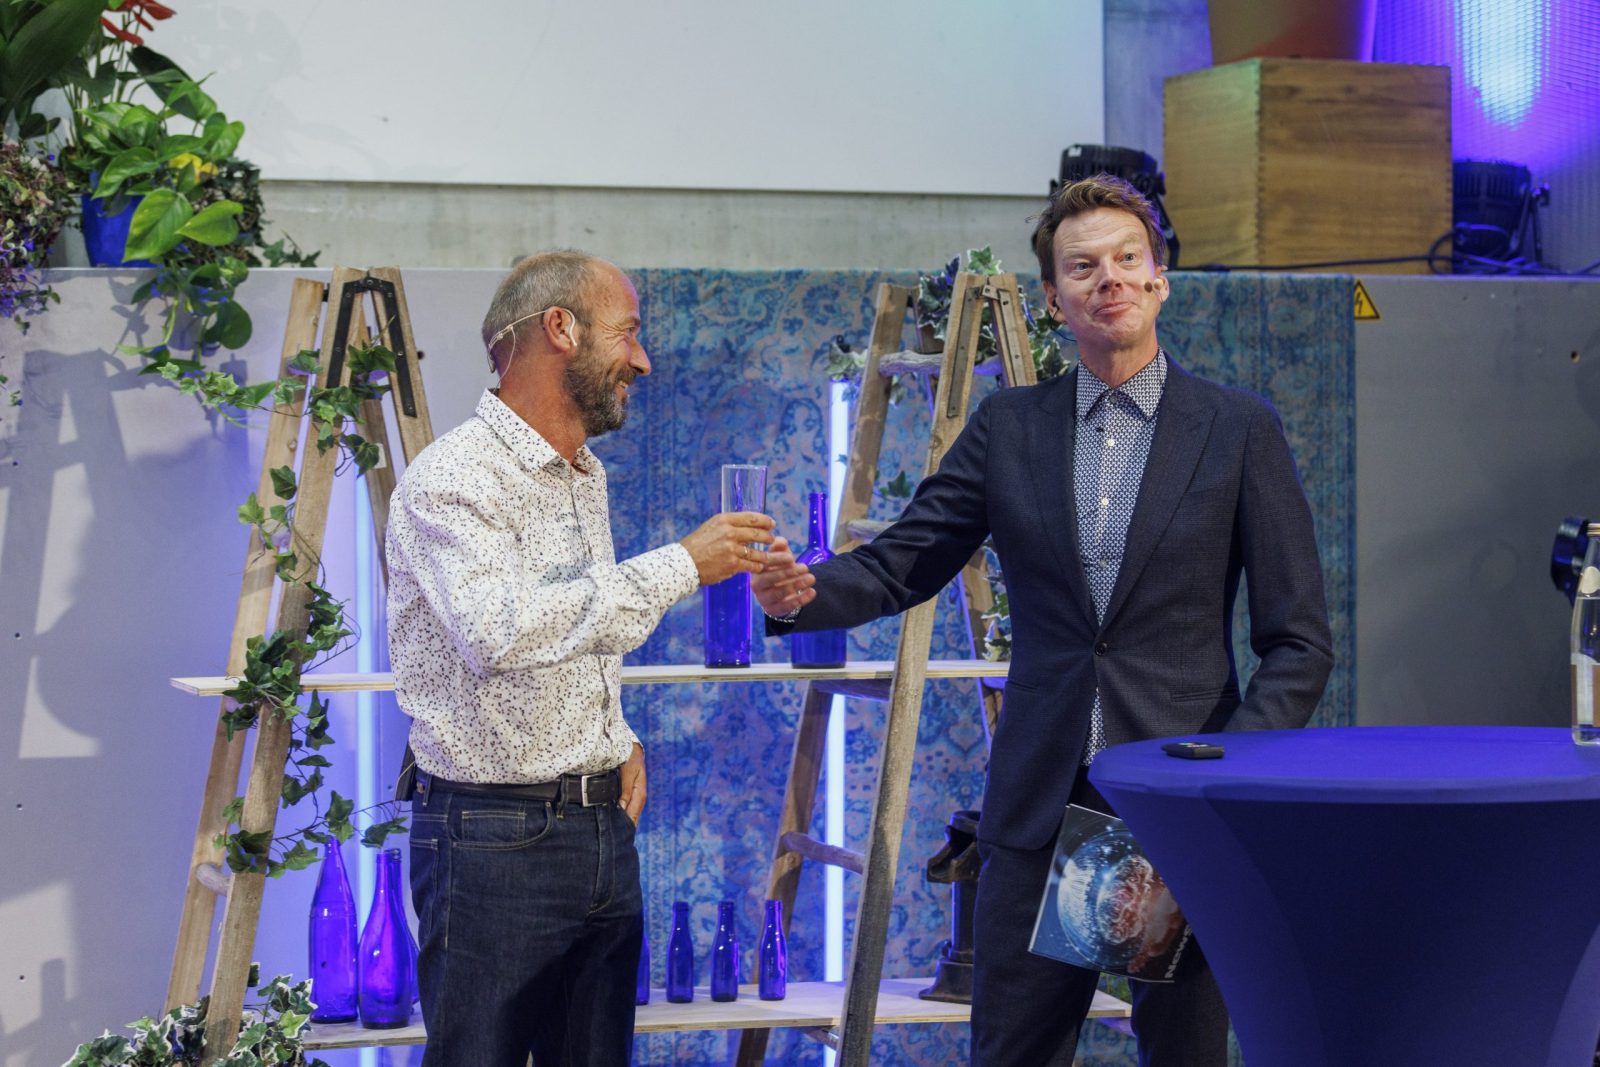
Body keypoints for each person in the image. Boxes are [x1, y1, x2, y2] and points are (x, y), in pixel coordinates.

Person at [753, 175, 1333, 1066]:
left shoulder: (1236, 429)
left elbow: (1299, 642)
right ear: (1056, 300)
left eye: (1128, 259)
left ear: (1160, 279)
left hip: (1173, 808)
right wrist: (804, 594)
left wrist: (1226, 768)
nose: (1110, 278)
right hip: (1040, 810)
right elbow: (907, 557)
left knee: (1180, 1056)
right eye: (1083, 266)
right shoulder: (1010, 427)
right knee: (1014, 1053)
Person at [386, 250, 775, 1067]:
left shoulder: (581, 473)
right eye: (628, 332)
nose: (643, 359)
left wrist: (610, 734)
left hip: (600, 830)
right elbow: (496, 633)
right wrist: (681, 564)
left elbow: (565, 625)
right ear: (559, 328)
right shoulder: (452, 477)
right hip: (491, 841)